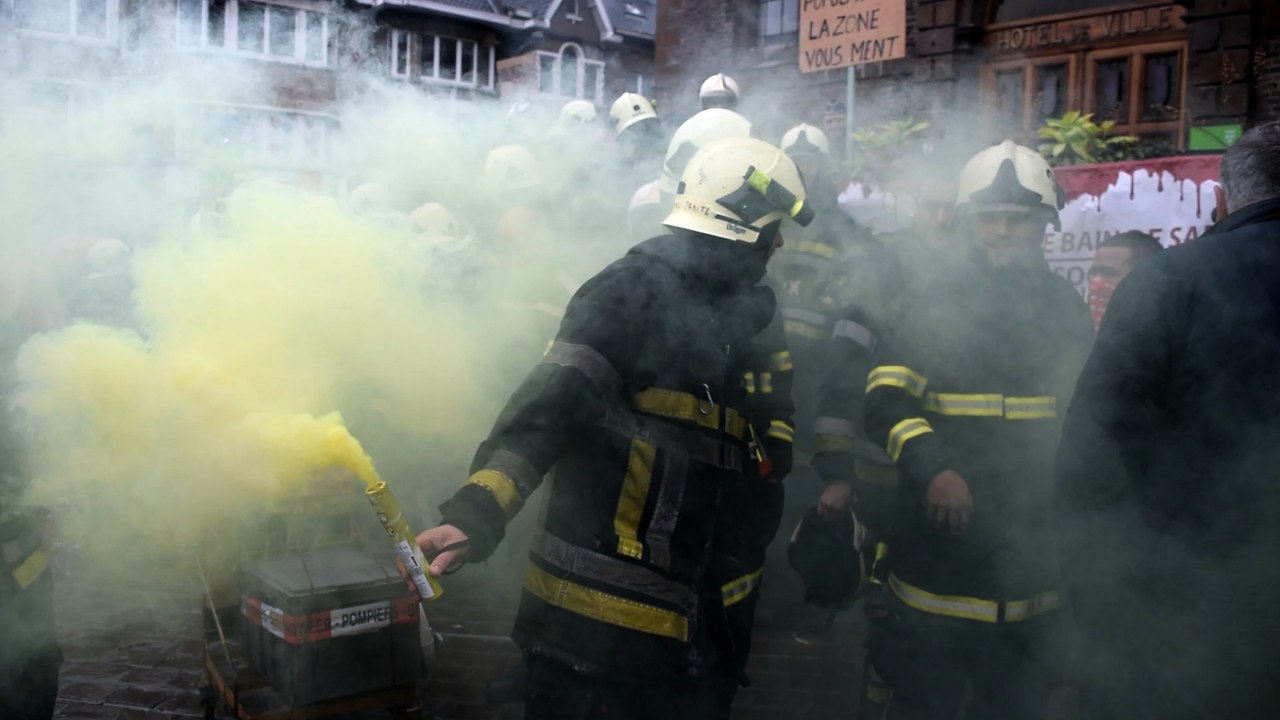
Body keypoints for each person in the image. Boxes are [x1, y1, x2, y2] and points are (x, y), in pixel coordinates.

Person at [414, 136, 813, 720]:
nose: (779, 244)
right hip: (594, 643)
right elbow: (547, 412)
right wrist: (478, 511)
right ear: (741, 231)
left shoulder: (742, 320)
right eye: (773, 229)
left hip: (701, 642)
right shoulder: (627, 294)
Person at [1055, 122, 1280, 720]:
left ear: (1223, 199)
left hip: (1190, 607)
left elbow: (1094, 446)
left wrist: (1102, 586)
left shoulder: (1169, 280)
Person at [862, 140, 1093, 720]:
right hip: (939, 565)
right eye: (990, 219)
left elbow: (1083, 414)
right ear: (970, 224)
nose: (1002, 232)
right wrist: (934, 467)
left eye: (1018, 220)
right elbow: (885, 401)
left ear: (1044, 226)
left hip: (1033, 568)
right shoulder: (933, 301)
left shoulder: (1065, 307)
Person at [1086, 230, 1161, 329]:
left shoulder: (1171, 337)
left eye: (1108, 273)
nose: (1096, 281)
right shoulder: (1077, 333)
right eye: (1093, 273)